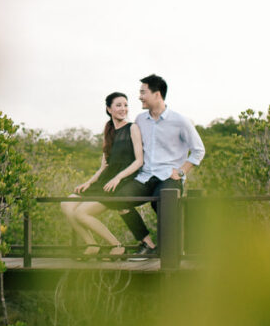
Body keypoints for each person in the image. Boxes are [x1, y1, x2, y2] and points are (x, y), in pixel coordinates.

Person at [120, 73, 206, 261]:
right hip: (145, 177)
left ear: (157, 94)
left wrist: (182, 171)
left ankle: (171, 252)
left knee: (164, 203)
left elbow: (199, 150)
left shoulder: (180, 121)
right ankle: (148, 245)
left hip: (169, 177)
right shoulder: (140, 119)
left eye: (143, 92)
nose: (139, 97)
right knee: (119, 199)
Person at [60, 92, 144, 259]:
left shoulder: (132, 128)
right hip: (105, 180)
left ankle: (117, 246)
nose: (123, 109)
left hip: (120, 182)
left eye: (125, 105)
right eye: (118, 105)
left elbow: (139, 161)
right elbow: (103, 166)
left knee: (81, 213)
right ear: (109, 109)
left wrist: (118, 177)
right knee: (66, 204)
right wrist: (88, 182)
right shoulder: (108, 131)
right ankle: (91, 245)